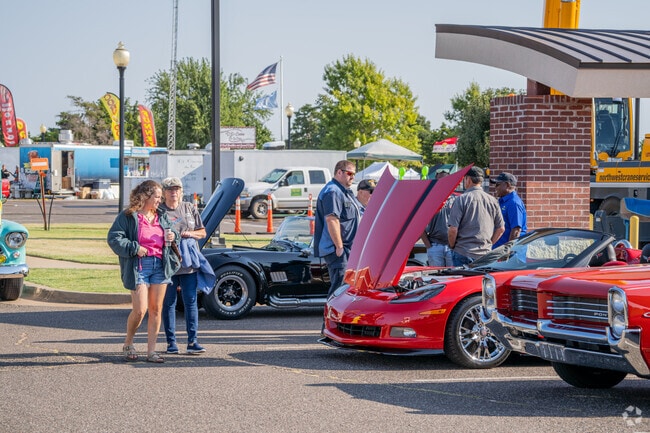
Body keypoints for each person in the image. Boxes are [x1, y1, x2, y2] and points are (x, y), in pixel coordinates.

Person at [107, 180, 181, 363]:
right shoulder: (128, 216)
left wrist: (173, 235)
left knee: (156, 310)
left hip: (160, 266)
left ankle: (151, 351)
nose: (159, 200)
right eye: (156, 197)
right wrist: (135, 248)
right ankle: (128, 342)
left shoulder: (161, 216)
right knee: (140, 310)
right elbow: (114, 238)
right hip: (138, 266)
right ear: (145, 196)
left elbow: (172, 234)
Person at [159, 177, 209, 355]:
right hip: (168, 264)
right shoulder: (159, 210)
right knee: (169, 303)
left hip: (189, 264)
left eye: (177, 189)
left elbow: (202, 232)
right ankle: (171, 343)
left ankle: (192, 341)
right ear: (164, 192)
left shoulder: (189, 208)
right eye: (170, 189)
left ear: (181, 191)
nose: (174, 192)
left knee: (191, 302)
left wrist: (190, 234)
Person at [314, 160, 362, 295]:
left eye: (354, 174)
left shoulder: (344, 191)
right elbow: (332, 220)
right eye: (349, 173)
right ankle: (331, 316)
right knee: (339, 290)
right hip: (338, 250)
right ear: (339, 172)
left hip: (346, 250)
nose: (352, 177)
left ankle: (338, 316)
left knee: (345, 290)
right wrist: (339, 247)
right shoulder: (333, 192)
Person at [447, 166, 505, 267]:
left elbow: (453, 229)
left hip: (463, 251)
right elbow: (500, 228)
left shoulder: (461, 199)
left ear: (468, 179)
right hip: (484, 253)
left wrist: (452, 246)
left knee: (461, 282)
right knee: (481, 282)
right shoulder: (493, 201)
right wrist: (489, 244)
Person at [420, 170, 456, 266]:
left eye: (446, 180)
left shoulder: (455, 199)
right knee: (436, 278)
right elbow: (419, 224)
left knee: (453, 277)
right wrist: (428, 246)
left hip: (452, 247)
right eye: (441, 180)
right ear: (436, 180)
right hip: (435, 246)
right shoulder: (429, 199)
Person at [490, 172, 528, 249]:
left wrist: (508, 252)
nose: (495, 187)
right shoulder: (503, 201)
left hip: (508, 253)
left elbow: (516, 230)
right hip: (498, 249)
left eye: (498, 184)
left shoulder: (513, 203)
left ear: (507, 185)